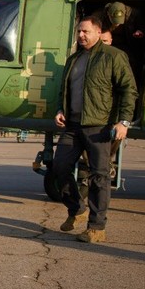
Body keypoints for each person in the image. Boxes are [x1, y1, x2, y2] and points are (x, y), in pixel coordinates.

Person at [52, 16, 137, 244]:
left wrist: (124, 121)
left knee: (98, 176)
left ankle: (97, 227)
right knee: (59, 167)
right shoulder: (73, 59)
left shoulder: (113, 57)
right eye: (79, 31)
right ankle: (77, 209)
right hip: (73, 125)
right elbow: (65, 90)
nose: (81, 35)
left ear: (98, 32)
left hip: (99, 125)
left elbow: (129, 90)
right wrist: (61, 109)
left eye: (86, 31)